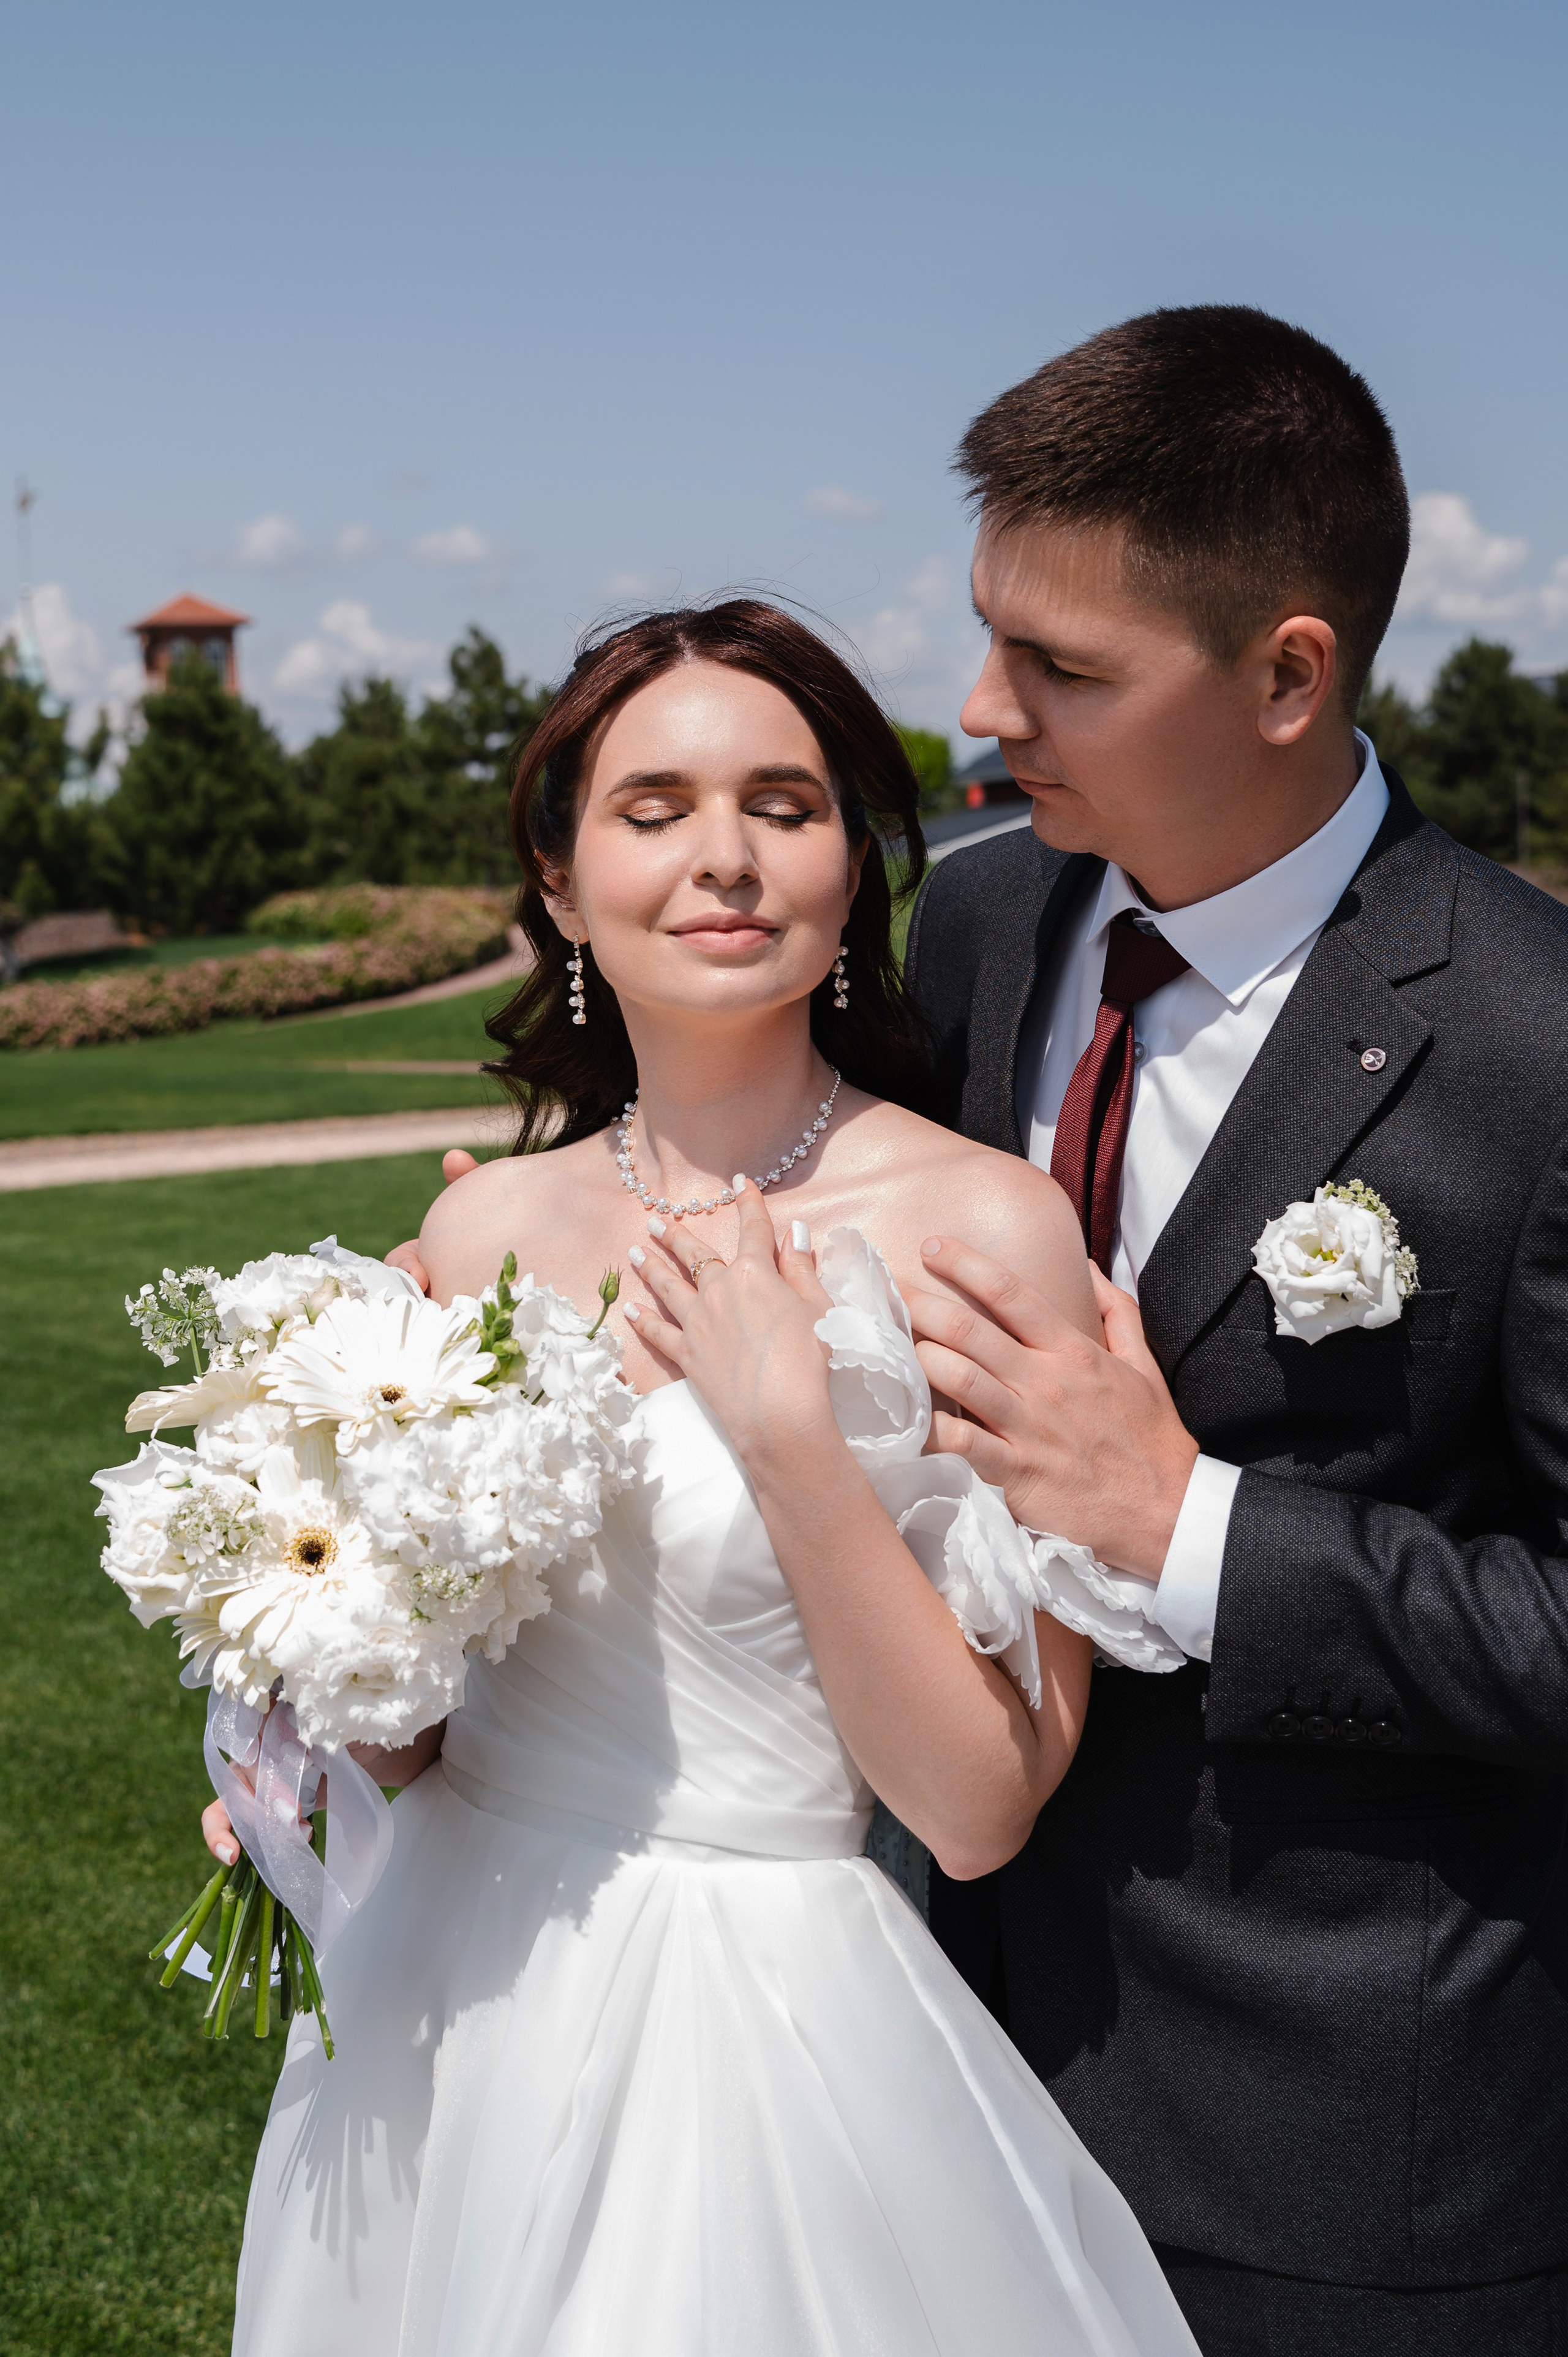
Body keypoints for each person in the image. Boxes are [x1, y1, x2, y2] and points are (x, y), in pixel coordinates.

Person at [216, 601, 1198, 2356]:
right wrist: (304, 1684)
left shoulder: (982, 1232)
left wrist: (790, 1437)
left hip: (768, 2023)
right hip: (451, 1994)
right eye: (654, 808)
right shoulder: (478, 1234)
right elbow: (415, 1723)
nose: (725, 858)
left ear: (853, 866)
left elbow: (976, 1812)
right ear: (562, 878)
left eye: (787, 804)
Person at [899, 306, 1568, 2353]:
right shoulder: (980, 922)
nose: (981, 708)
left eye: (1065, 671)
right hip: (922, 2061)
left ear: (1290, 672)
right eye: (995, 634)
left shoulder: (1541, 1048)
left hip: (1335, 2156)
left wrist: (1190, 1529)